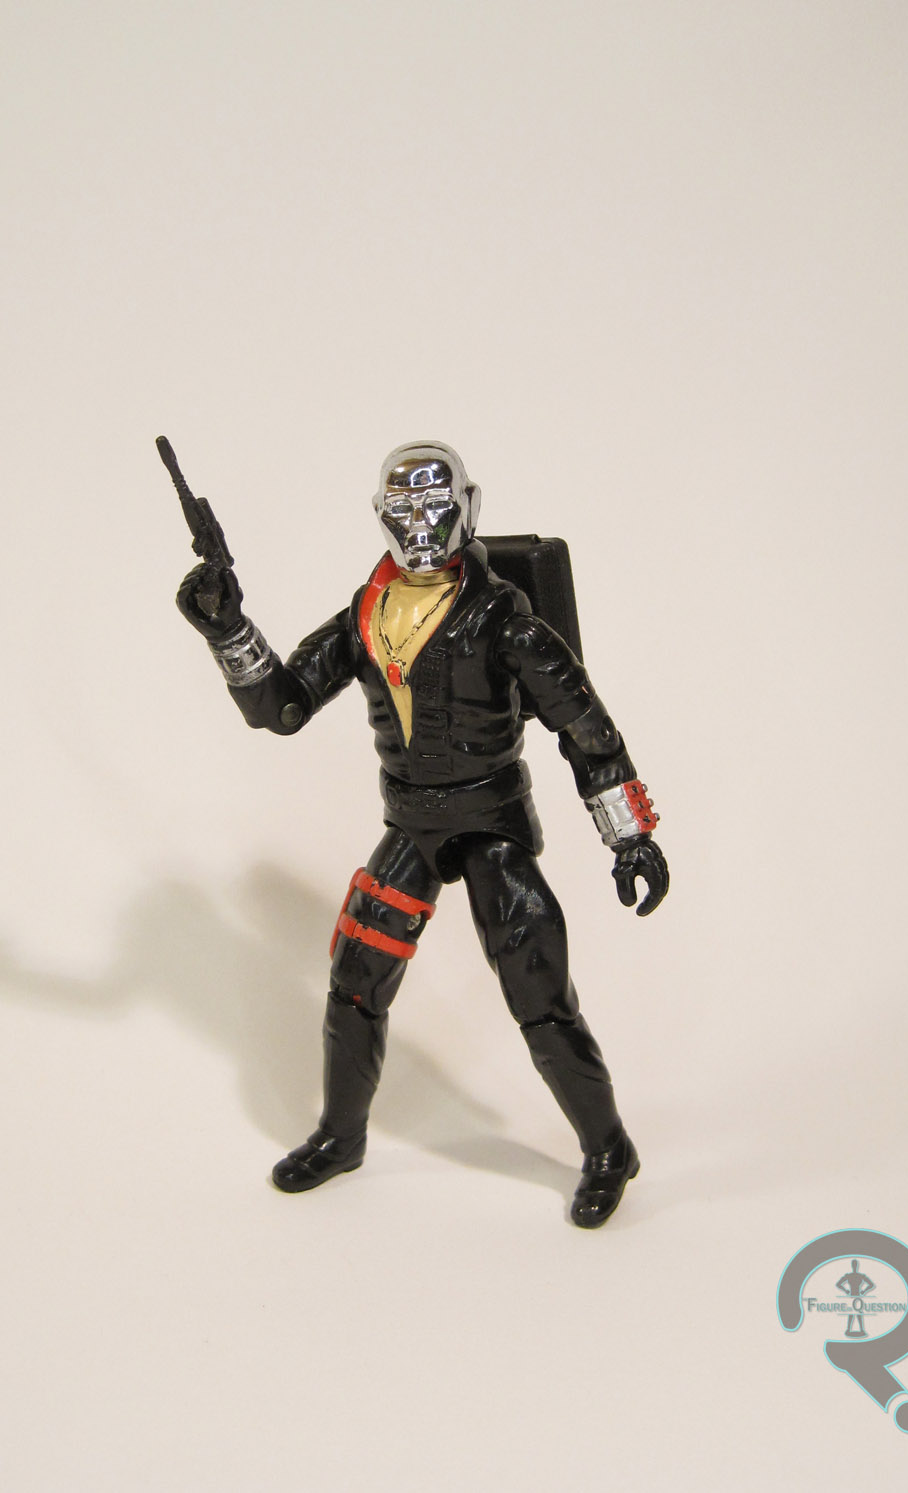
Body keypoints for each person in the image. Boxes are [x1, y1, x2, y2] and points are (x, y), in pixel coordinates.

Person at [176, 440, 669, 1227]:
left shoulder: (502, 617)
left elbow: (585, 725)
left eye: (435, 506)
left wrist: (628, 834)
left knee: (539, 992)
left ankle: (608, 1148)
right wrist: (227, 627)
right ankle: (341, 1135)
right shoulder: (366, 614)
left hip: (492, 825)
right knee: (354, 980)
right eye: (403, 508)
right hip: (410, 826)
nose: (419, 523)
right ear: (381, 516)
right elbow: (286, 704)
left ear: (469, 509)